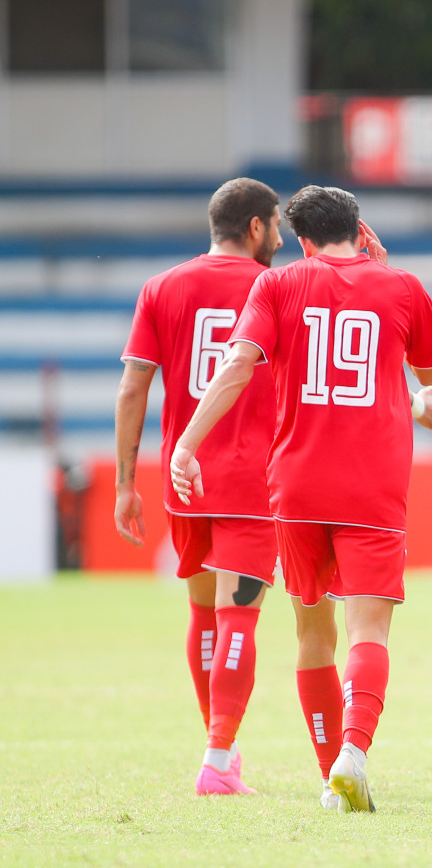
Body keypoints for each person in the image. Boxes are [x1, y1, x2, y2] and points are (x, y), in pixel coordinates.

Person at [170, 185, 432, 814]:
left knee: (311, 631)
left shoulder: (276, 286)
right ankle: (353, 755)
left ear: (301, 240)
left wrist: (187, 444)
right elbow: (431, 375)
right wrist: (380, 270)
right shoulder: (400, 286)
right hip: (372, 483)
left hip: (295, 485)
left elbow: (239, 365)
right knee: (368, 629)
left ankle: (331, 775)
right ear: (361, 228)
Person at [115, 177, 282, 796]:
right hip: (254, 478)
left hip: (183, 478)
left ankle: (223, 750)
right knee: (239, 618)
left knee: (202, 613)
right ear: (257, 228)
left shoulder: (161, 287)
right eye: (277, 226)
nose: (281, 239)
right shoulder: (279, 286)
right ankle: (217, 758)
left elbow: (132, 388)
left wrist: (125, 485)